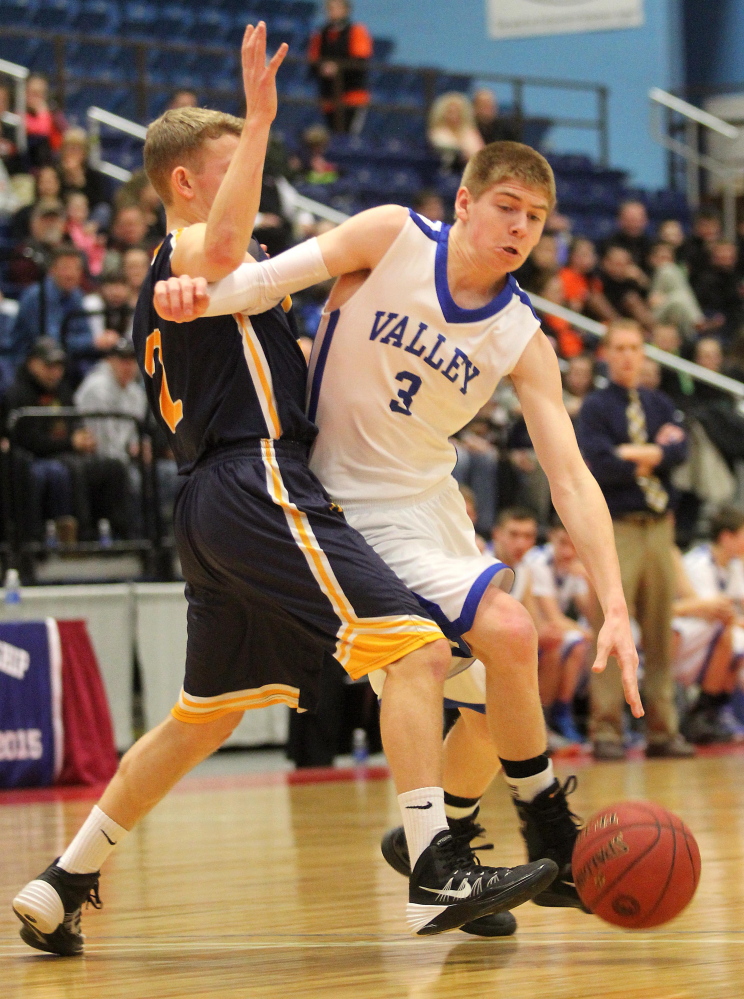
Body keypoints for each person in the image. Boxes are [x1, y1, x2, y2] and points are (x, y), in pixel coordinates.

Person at [11, 26, 556, 958]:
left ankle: (63, 877)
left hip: (214, 501)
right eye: (237, 168)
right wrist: (261, 116)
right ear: (188, 179)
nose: (253, 193)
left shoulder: (232, 271)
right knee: (421, 651)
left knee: (202, 717)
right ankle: (436, 864)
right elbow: (223, 244)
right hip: (254, 477)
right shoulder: (191, 243)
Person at [158, 139, 643, 930]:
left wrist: (613, 599)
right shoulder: (392, 235)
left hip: (433, 509)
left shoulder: (521, 332)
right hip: (346, 506)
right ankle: (544, 830)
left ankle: (448, 839)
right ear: (464, 202)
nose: (521, 228)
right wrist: (192, 298)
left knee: (495, 704)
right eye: (507, 208)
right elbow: (261, 281)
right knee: (510, 630)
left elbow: (570, 475)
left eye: (537, 218)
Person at [576, 318, 692, 760]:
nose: (628, 356)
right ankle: (605, 730)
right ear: (605, 354)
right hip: (617, 528)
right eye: (619, 348)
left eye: (635, 348)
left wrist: (637, 454)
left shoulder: (660, 403)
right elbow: (600, 465)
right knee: (611, 626)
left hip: (660, 528)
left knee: (661, 631)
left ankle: (663, 730)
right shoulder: (595, 409)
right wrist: (653, 456)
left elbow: (682, 452)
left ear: (644, 355)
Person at [674, 508, 744, 743]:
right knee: (726, 634)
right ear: (726, 537)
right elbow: (714, 612)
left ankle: (715, 710)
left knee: (733, 639)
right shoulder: (699, 562)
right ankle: (703, 710)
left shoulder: (734, 565)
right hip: (682, 631)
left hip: (705, 631)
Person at [10, 246, 118, 365]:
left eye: (76, 268)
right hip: (30, 363)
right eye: (65, 268)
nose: (71, 274)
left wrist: (98, 341)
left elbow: (84, 332)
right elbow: (51, 341)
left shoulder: (76, 294)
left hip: (66, 361)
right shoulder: (36, 296)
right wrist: (92, 342)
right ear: (52, 270)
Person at [308, 0, 373, 134]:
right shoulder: (320, 34)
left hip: (352, 97)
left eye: (336, 7)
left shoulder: (357, 31)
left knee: (350, 137)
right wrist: (322, 69)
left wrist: (337, 68)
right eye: (329, 8)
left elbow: (360, 60)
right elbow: (313, 62)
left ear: (346, 10)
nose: (332, 11)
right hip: (328, 98)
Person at [427, 92, 484, 173]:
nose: (454, 115)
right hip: (447, 171)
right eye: (450, 112)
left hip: (471, 171)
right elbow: (449, 150)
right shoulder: (437, 132)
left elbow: (479, 154)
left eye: (458, 111)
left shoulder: (470, 132)